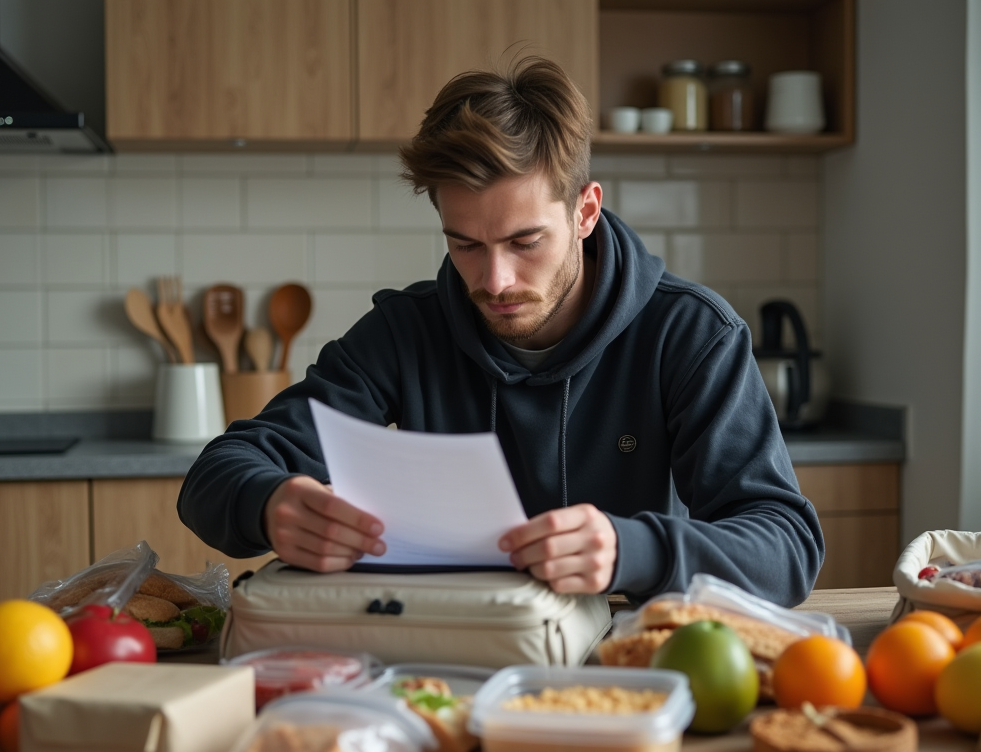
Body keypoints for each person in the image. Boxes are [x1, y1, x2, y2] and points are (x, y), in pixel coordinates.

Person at [178, 56, 823, 606]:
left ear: (585, 211)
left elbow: (787, 549)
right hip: (442, 661)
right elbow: (213, 476)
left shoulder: (690, 335)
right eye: (465, 245)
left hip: (629, 670)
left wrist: (636, 549)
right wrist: (270, 504)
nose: (494, 280)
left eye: (525, 241)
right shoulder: (405, 333)